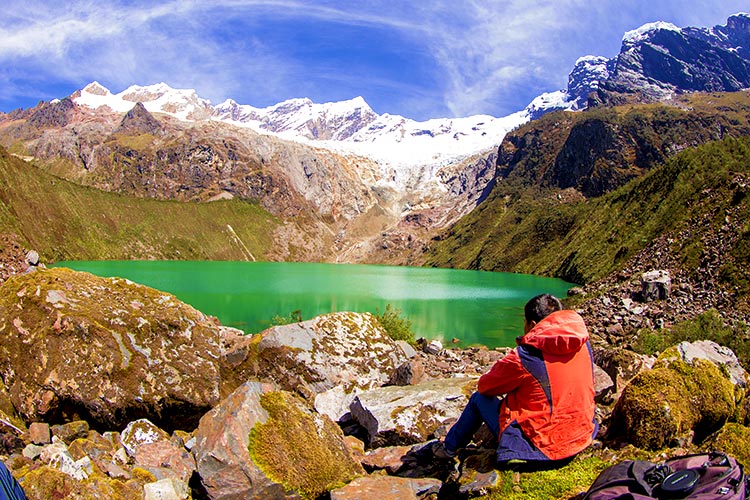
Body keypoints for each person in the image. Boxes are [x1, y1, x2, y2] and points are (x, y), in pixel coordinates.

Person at [433, 293, 597, 469]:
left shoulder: (525, 356)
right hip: (581, 434)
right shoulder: (582, 344)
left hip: (543, 447)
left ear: (532, 325)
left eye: (525, 322)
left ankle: (449, 449)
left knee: (478, 399)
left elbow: (485, 387)